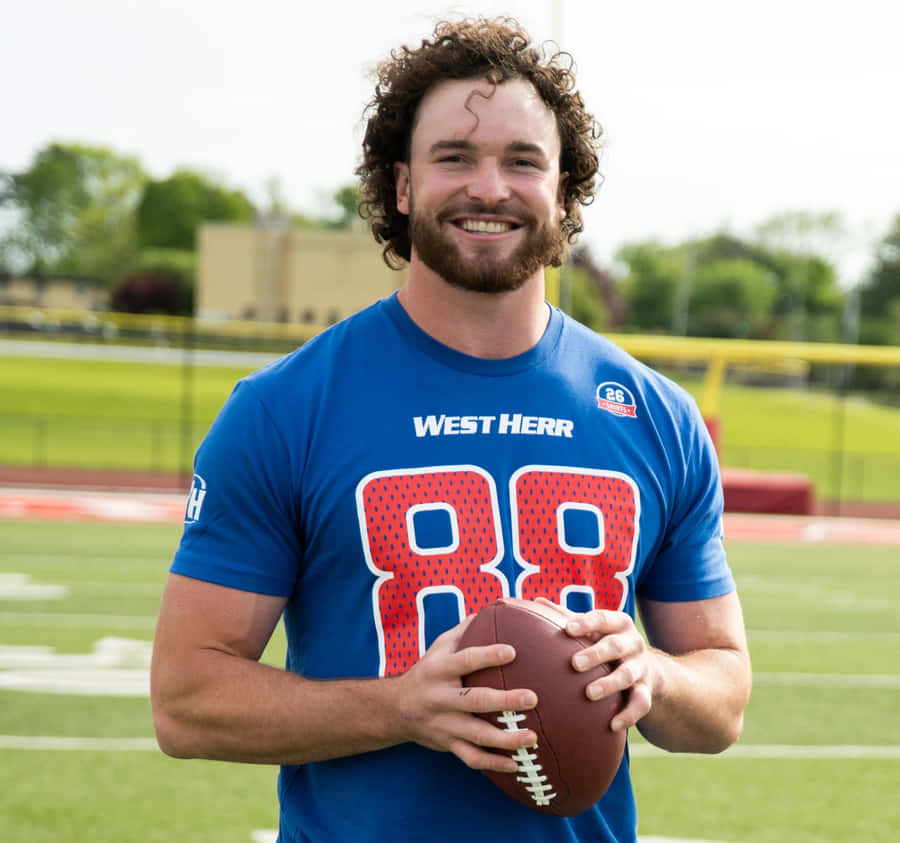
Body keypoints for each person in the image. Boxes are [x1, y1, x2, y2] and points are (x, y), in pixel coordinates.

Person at [151, 17, 751, 843]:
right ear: (402, 187)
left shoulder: (656, 416)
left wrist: (651, 674)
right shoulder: (285, 407)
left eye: (523, 161)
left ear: (565, 190)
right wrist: (403, 706)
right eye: (455, 157)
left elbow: (721, 702)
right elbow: (186, 702)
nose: (490, 187)